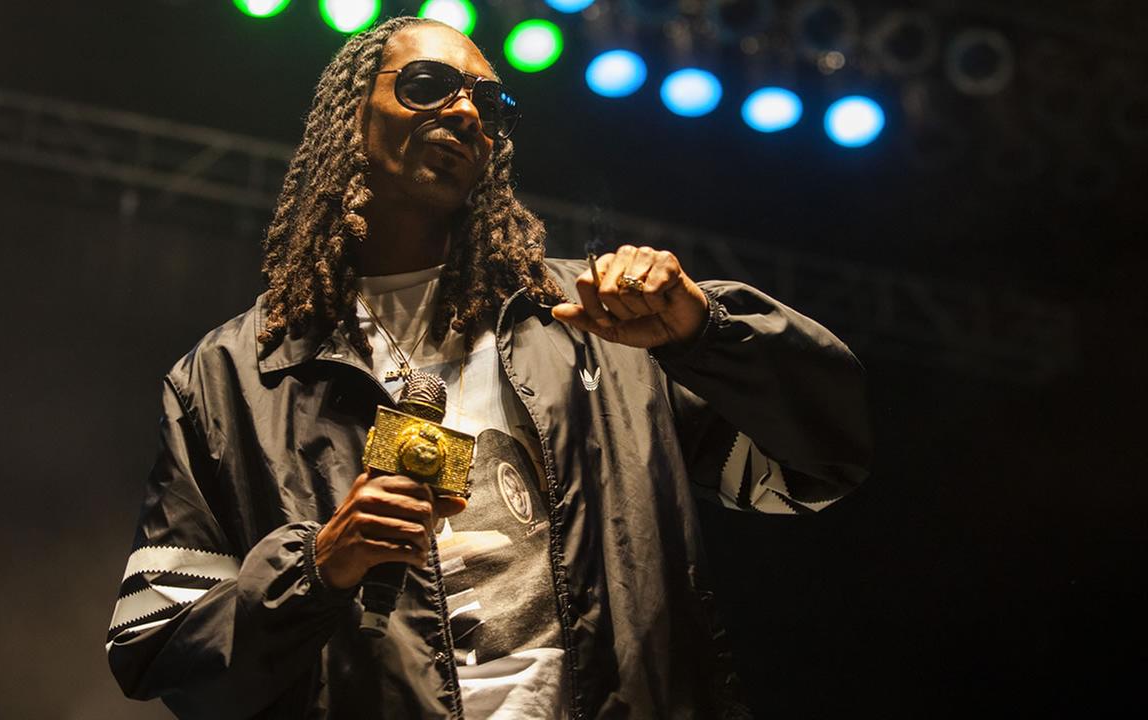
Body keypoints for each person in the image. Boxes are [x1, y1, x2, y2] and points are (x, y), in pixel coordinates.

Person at [105, 16, 871, 719]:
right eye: (428, 86)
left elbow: (815, 466)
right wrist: (320, 565)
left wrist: (704, 334)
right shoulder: (237, 374)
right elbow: (159, 643)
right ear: (350, 119)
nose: (468, 114)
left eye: (491, 103)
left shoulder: (599, 322)